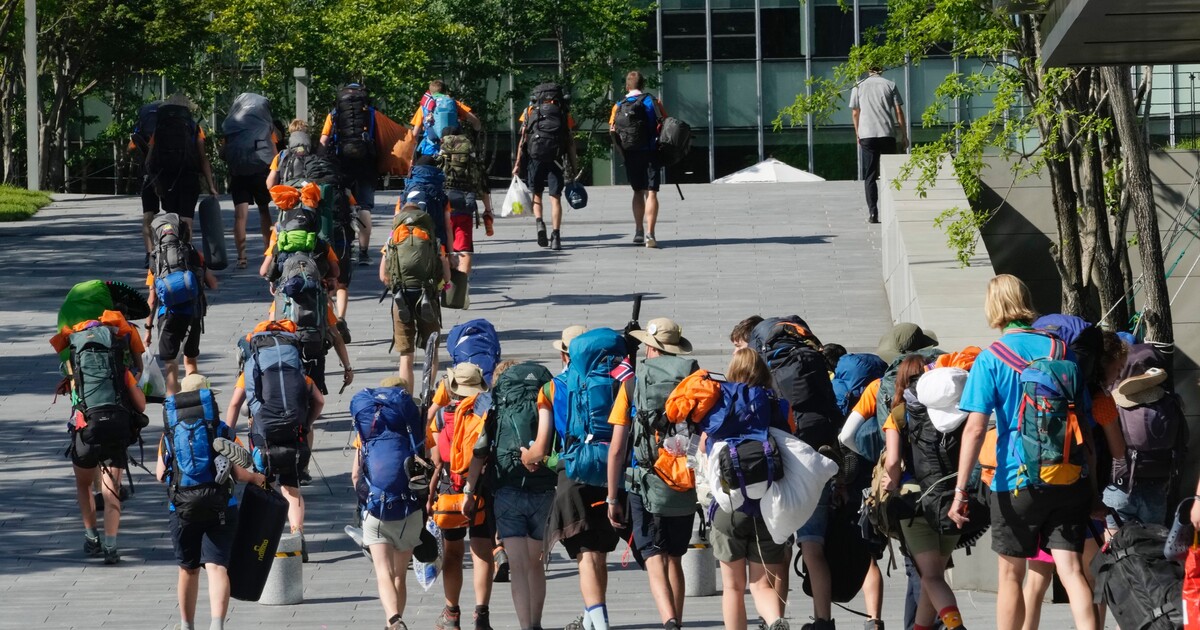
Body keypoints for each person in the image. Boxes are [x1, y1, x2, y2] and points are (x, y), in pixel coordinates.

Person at [948, 274, 1098, 630]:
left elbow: (973, 429)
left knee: (1011, 576)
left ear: (993, 307)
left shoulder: (991, 358)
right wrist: (1092, 486)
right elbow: (1085, 423)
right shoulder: (1062, 350)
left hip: (1015, 479)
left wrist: (960, 490)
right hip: (1067, 474)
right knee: (1074, 570)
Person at [606, 318, 699, 630]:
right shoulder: (694, 378)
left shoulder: (633, 381)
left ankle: (669, 620)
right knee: (675, 556)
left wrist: (611, 497)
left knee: (653, 554)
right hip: (685, 479)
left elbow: (618, 447)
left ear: (650, 346)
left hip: (646, 481)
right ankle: (679, 621)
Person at [157, 374, 265, 630]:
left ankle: (187, 625)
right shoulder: (221, 429)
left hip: (181, 508)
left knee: (188, 569)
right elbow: (239, 473)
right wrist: (257, 478)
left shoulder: (170, 432)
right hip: (220, 506)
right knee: (217, 567)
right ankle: (217, 625)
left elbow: (160, 474)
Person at [539, 328, 631, 630]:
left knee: (587, 555)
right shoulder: (622, 378)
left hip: (575, 469)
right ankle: (592, 619)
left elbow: (546, 442)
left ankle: (598, 622)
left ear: (567, 354)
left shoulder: (554, 387)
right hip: (614, 471)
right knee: (600, 552)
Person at [705, 348, 795, 630]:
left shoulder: (718, 405)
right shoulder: (779, 406)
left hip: (728, 507)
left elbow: (704, 449)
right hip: (767, 507)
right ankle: (775, 619)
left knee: (733, 588)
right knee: (761, 582)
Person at [465, 360, 556, 630]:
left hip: (508, 489)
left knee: (517, 565)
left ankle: (525, 626)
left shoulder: (497, 407)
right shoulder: (544, 401)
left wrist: (469, 491)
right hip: (543, 487)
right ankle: (537, 623)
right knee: (536, 564)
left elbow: (480, 450)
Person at [53, 313, 149, 565]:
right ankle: (111, 546)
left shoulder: (74, 368)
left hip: (86, 430)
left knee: (84, 485)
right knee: (111, 490)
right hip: (115, 429)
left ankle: (91, 537)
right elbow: (141, 405)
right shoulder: (119, 369)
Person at [225, 322, 326, 559]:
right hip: (294, 431)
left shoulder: (253, 367)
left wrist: (228, 436)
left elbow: (234, 405)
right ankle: (297, 534)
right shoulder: (296, 369)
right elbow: (319, 401)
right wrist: (308, 423)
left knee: (263, 484)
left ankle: (263, 541)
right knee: (291, 486)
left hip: (263, 436)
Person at [882, 361, 968, 630]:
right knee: (936, 576)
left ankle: (956, 627)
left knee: (930, 577)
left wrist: (891, 483)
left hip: (915, 502)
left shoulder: (899, 413)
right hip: (952, 499)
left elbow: (893, 460)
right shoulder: (956, 412)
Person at [351, 377, 428, 630]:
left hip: (377, 508)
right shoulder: (415, 428)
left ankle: (393, 620)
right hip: (409, 510)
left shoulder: (368, 431)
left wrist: (364, 498)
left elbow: (355, 475)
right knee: (399, 574)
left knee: (383, 572)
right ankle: (393, 622)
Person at [426, 362, 496, 630]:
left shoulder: (442, 417)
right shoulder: (487, 414)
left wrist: (430, 496)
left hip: (449, 489)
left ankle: (452, 613)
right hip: (481, 489)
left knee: (453, 553)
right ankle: (482, 615)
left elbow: (436, 460)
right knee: (482, 552)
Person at [144, 214, 219, 396]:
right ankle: (194, 401)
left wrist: (147, 329)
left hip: (167, 315)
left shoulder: (156, 259)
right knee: (190, 360)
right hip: (193, 313)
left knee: (171, 366)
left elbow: (152, 299)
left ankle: (172, 407)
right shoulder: (193, 253)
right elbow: (213, 284)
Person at [381, 202, 451, 389]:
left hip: (401, 297)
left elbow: (383, 276)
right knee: (432, 349)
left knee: (406, 354)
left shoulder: (393, 239)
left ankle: (407, 397)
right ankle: (426, 391)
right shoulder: (432, 240)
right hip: (428, 294)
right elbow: (446, 276)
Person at [319, 83, 381, 264]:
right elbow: (381, 139)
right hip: (366, 164)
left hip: (342, 163)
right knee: (364, 207)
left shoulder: (335, 114)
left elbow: (324, 140)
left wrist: (319, 162)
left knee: (342, 205)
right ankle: (364, 253)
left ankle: (344, 247)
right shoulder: (372, 113)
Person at [143, 93, 220, 235]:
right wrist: (211, 186)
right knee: (186, 217)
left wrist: (154, 183)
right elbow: (203, 158)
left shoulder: (159, 129)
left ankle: (172, 251)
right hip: (189, 176)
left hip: (166, 177)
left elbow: (149, 160)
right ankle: (186, 252)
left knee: (172, 217)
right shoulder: (195, 128)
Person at [514, 83, 578, 251]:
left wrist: (517, 163)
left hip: (535, 157)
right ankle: (556, 236)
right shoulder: (563, 112)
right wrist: (574, 165)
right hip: (556, 158)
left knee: (537, 193)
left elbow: (523, 140)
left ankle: (539, 223)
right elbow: (570, 141)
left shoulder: (529, 111)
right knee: (555, 198)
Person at [609, 71, 667, 248]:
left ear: (627, 86)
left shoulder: (619, 105)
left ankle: (638, 231)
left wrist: (622, 152)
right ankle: (651, 233)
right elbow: (665, 124)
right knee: (652, 192)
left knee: (637, 192)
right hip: (650, 151)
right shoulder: (653, 101)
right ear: (642, 85)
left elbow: (612, 130)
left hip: (631, 153)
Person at [222, 93, 278, 269]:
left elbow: (222, 153)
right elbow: (274, 147)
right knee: (264, 211)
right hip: (260, 170)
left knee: (240, 215)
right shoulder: (265, 124)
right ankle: (268, 252)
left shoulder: (231, 123)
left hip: (239, 172)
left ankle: (242, 258)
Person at [849, 66, 907, 224]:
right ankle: (895, 210)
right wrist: (904, 134)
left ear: (867, 69)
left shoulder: (858, 85)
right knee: (892, 174)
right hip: (887, 133)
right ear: (881, 69)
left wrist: (857, 133)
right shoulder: (890, 85)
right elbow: (898, 111)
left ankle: (873, 213)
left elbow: (855, 112)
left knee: (870, 176)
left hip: (867, 134)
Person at [440, 126, 494, 277]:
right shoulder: (470, 157)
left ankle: (445, 287)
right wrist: (488, 210)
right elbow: (481, 183)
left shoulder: (438, 155)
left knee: (442, 248)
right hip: (464, 204)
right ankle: (461, 290)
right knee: (464, 249)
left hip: (443, 206)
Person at [411, 80, 482, 157]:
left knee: (421, 168)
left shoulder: (424, 106)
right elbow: (476, 122)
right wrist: (475, 139)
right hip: (452, 151)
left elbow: (415, 134)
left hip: (431, 150)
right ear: (445, 92)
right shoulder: (454, 103)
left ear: (430, 92)